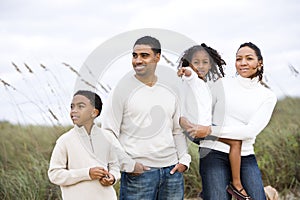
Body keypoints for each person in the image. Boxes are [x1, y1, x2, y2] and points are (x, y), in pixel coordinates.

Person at [101, 36, 191, 200]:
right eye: (135, 55)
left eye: (144, 55)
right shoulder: (121, 89)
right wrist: (129, 164)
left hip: (171, 172)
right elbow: (108, 131)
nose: (137, 60)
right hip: (139, 174)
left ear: (157, 57)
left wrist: (184, 160)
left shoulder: (171, 88)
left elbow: (177, 130)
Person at [198, 42, 277, 200]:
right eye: (238, 59)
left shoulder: (267, 96)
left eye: (249, 58)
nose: (243, 63)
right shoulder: (221, 83)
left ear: (259, 63)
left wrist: (210, 130)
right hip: (213, 151)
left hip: (245, 154)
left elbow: (250, 131)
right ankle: (211, 192)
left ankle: (267, 193)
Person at [178, 44, 255, 199]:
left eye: (205, 62)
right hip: (197, 129)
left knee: (230, 142)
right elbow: (189, 75)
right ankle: (237, 184)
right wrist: (185, 71)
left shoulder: (205, 84)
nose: (201, 66)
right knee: (235, 142)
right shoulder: (191, 80)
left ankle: (208, 192)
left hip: (202, 128)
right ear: (188, 63)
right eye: (196, 62)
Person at [48, 90, 120, 200]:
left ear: (94, 112)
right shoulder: (64, 141)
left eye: (80, 106)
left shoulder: (108, 137)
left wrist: (113, 177)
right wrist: (87, 173)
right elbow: (54, 174)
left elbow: (115, 166)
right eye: (72, 107)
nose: (74, 111)